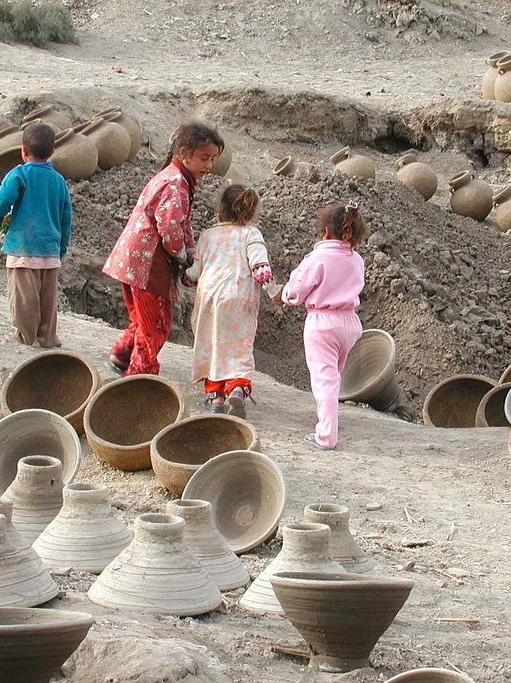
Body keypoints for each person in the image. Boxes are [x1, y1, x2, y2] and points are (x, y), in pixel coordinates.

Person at [102, 120, 224, 376]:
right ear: (184, 154)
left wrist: (191, 250)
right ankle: (139, 377)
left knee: (141, 318)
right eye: (204, 158)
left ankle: (121, 356)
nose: (209, 166)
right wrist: (182, 257)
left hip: (132, 260)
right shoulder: (176, 185)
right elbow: (170, 230)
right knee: (156, 325)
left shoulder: (173, 177)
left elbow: (183, 223)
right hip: (147, 264)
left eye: (211, 159)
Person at [281, 201, 367, 450]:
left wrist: (286, 296)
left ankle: (326, 435)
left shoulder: (318, 257)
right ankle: (328, 419)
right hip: (350, 322)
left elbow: (297, 289)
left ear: (326, 230)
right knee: (334, 375)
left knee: (324, 378)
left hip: (322, 322)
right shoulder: (357, 259)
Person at [184, 185, 275, 418]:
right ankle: (237, 388)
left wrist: (184, 276)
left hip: (209, 300)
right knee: (239, 345)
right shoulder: (251, 234)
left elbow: (194, 272)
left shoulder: (208, 235)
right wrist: (273, 291)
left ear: (221, 209)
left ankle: (216, 398)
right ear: (251, 212)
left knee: (212, 344)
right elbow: (260, 266)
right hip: (239, 299)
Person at [0, 121, 72, 348]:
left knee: (24, 299)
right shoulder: (59, 181)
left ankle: (25, 336)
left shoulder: (18, 175)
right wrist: (61, 249)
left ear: (23, 151)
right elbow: (66, 218)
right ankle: (48, 338)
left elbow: (1, 203)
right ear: (53, 151)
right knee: (47, 300)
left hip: (23, 249)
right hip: (50, 251)